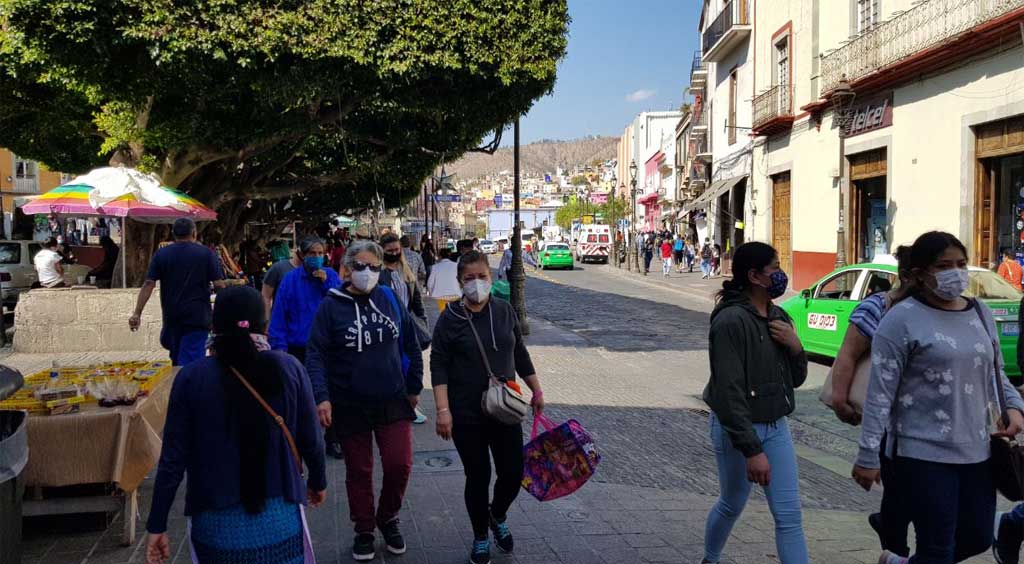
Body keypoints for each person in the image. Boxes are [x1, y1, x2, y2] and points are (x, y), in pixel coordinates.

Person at [853, 231, 1024, 564]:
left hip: (977, 451)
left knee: (976, 538)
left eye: (961, 264)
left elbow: (994, 372)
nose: (956, 272)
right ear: (919, 273)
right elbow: (879, 395)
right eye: (944, 266)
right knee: (937, 548)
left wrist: (1014, 408)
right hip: (921, 454)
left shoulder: (979, 312)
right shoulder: (901, 320)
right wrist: (868, 455)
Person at [144, 286, 327, 564]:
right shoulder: (289, 368)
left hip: (215, 525)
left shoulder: (192, 378)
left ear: (214, 326)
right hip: (280, 517)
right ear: (263, 325)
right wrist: (318, 481)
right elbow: (311, 438)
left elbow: (172, 459)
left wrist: (157, 524)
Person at [306, 240, 423, 562]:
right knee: (359, 470)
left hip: (392, 398)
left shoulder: (387, 298)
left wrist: (414, 386)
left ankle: (388, 517)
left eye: (374, 266)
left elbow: (411, 342)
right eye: (361, 266)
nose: (368, 272)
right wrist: (322, 397)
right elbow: (315, 354)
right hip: (349, 402)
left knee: (400, 464)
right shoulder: (332, 306)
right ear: (345, 269)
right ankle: (364, 528)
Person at [430, 251, 544, 564]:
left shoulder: (505, 311)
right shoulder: (450, 318)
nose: (476, 283)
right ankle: (480, 536)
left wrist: (536, 390)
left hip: (505, 407)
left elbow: (520, 354)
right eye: (469, 278)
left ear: (491, 277)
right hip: (466, 413)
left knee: (513, 472)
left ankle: (496, 514)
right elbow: (438, 364)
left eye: (482, 276)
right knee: (478, 476)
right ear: (459, 282)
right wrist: (442, 410)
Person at [702, 242, 809, 564]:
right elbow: (728, 392)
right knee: (733, 502)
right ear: (754, 276)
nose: (781, 275)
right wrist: (752, 450)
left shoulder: (780, 316)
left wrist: (795, 346)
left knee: (789, 515)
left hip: (777, 426)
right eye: (774, 268)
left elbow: (797, 379)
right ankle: (710, 558)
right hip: (737, 430)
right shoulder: (730, 321)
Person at [827, 246, 914, 556]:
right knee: (901, 490)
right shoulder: (878, 306)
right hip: (888, 418)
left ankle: (889, 524)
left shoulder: (946, 308)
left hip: (932, 423)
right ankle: (895, 550)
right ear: (907, 276)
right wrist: (840, 399)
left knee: (911, 495)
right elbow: (848, 354)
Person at [130, 218, 225, 366]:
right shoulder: (206, 254)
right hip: (197, 317)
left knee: (177, 360)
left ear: (173, 233)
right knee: (190, 364)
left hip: (171, 318)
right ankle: (188, 387)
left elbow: (149, 284)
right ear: (194, 232)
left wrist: (137, 313)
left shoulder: (161, 255)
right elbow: (219, 285)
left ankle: (179, 386)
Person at [380, 233, 429, 425]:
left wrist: (423, 322)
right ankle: (399, 404)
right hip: (388, 325)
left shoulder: (405, 269)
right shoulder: (380, 272)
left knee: (410, 365)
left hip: (407, 324)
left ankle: (410, 403)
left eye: (396, 250)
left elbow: (416, 298)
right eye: (389, 250)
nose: (393, 253)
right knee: (395, 365)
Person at [268, 236, 342, 363]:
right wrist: (279, 349)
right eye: (312, 253)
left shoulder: (331, 276)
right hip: (297, 349)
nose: (317, 257)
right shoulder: (290, 280)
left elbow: (340, 306)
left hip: (327, 347)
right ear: (303, 255)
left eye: (320, 253)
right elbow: (279, 316)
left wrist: (326, 283)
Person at [262, 246, 302, 316]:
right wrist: (267, 320)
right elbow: (266, 296)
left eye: (320, 253)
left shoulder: (317, 272)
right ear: (296, 249)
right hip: (281, 320)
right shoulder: (278, 268)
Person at [428, 248, 462, 313]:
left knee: (442, 317)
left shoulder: (435, 267)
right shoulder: (456, 265)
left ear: (440, 256)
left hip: (440, 297)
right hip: (456, 296)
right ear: (450, 256)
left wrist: (432, 293)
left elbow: (430, 283)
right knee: (455, 316)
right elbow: (461, 280)